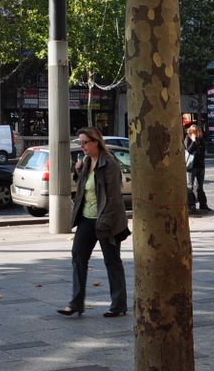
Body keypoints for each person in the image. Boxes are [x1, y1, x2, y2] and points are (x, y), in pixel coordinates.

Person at [59, 127, 129, 318]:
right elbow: (83, 190)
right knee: (78, 257)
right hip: (87, 220)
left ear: (96, 142)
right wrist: (78, 172)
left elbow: (114, 199)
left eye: (85, 143)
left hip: (108, 220)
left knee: (112, 262)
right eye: (80, 143)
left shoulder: (110, 164)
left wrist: (105, 222)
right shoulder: (87, 162)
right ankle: (75, 303)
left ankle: (118, 305)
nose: (82, 147)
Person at [185, 124, 209, 211]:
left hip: (200, 166)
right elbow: (189, 150)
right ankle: (191, 205)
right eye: (194, 132)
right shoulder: (188, 139)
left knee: (200, 187)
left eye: (197, 131)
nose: (196, 133)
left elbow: (202, 151)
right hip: (191, 166)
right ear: (190, 132)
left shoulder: (201, 140)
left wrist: (198, 140)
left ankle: (203, 204)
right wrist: (194, 141)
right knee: (190, 186)